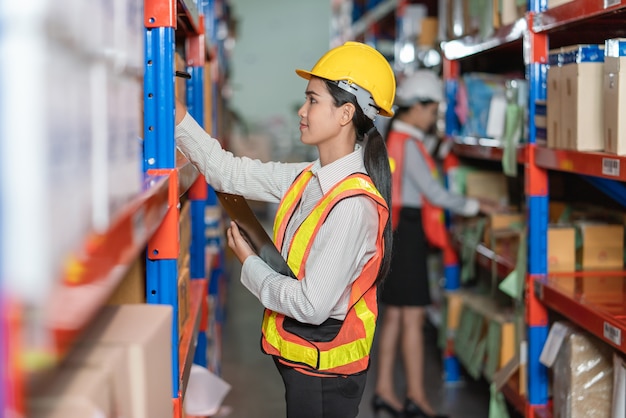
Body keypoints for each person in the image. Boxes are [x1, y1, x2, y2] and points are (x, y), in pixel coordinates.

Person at [175, 41, 395, 418]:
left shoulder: (353, 207)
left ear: (345, 114)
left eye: (313, 100)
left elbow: (311, 306)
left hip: (327, 376)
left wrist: (249, 261)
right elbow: (228, 171)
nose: (302, 110)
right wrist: (176, 114)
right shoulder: (305, 177)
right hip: (304, 362)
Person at [372, 70, 494, 418]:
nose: (432, 117)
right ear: (417, 108)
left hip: (392, 232)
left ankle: (384, 391)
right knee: (411, 318)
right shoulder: (409, 146)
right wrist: (475, 205)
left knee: (394, 317)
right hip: (406, 234)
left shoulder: (393, 139)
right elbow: (435, 193)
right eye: (431, 110)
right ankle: (417, 398)